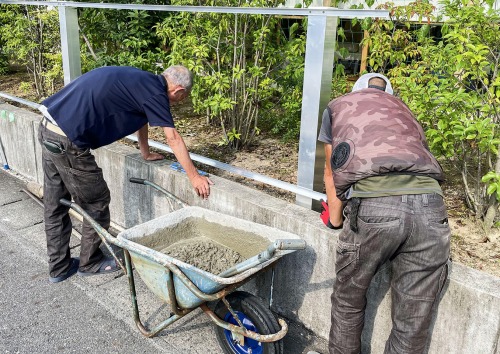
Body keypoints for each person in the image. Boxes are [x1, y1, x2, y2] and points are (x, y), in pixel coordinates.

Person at [38, 65, 213, 283]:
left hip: (48, 127)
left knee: (56, 203)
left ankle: (59, 267)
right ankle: (90, 263)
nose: (179, 102)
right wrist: (194, 177)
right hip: (68, 141)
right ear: (178, 91)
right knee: (96, 201)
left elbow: (143, 117)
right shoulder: (157, 93)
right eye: (182, 98)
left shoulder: (143, 81)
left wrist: (145, 152)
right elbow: (173, 138)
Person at [315, 73, 450, 353]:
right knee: (413, 320)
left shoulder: (339, 107)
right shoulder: (404, 112)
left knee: (348, 299)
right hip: (431, 208)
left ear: (356, 92)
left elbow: (332, 173)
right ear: (390, 95)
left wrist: (335, 220)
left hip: (375, 206)